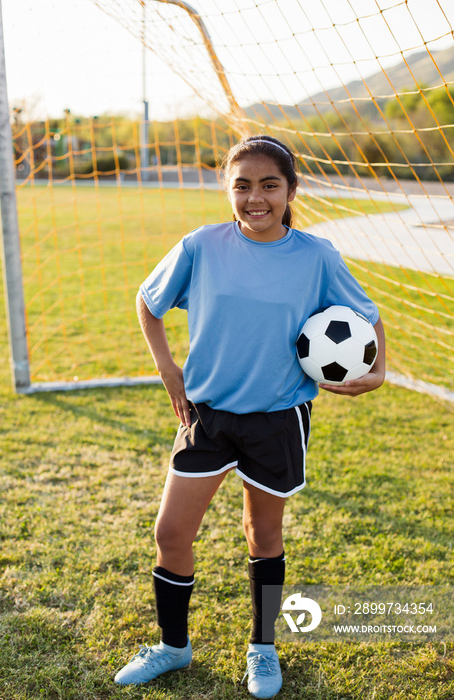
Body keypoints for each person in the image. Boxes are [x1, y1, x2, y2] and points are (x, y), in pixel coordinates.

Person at [114, 135, 385, 699]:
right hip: (206, 416)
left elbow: (369, 316)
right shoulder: (201, 246)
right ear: (226, 189)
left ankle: (262, 649)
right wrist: (168, 370)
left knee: (263, 535)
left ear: (291, 191)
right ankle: (172, 646)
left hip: (277, 419)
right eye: (242, 186)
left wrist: (377, 372)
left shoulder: (317, 256)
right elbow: (148, 300)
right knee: (170, 532)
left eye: (269, 186)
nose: (255, 198)